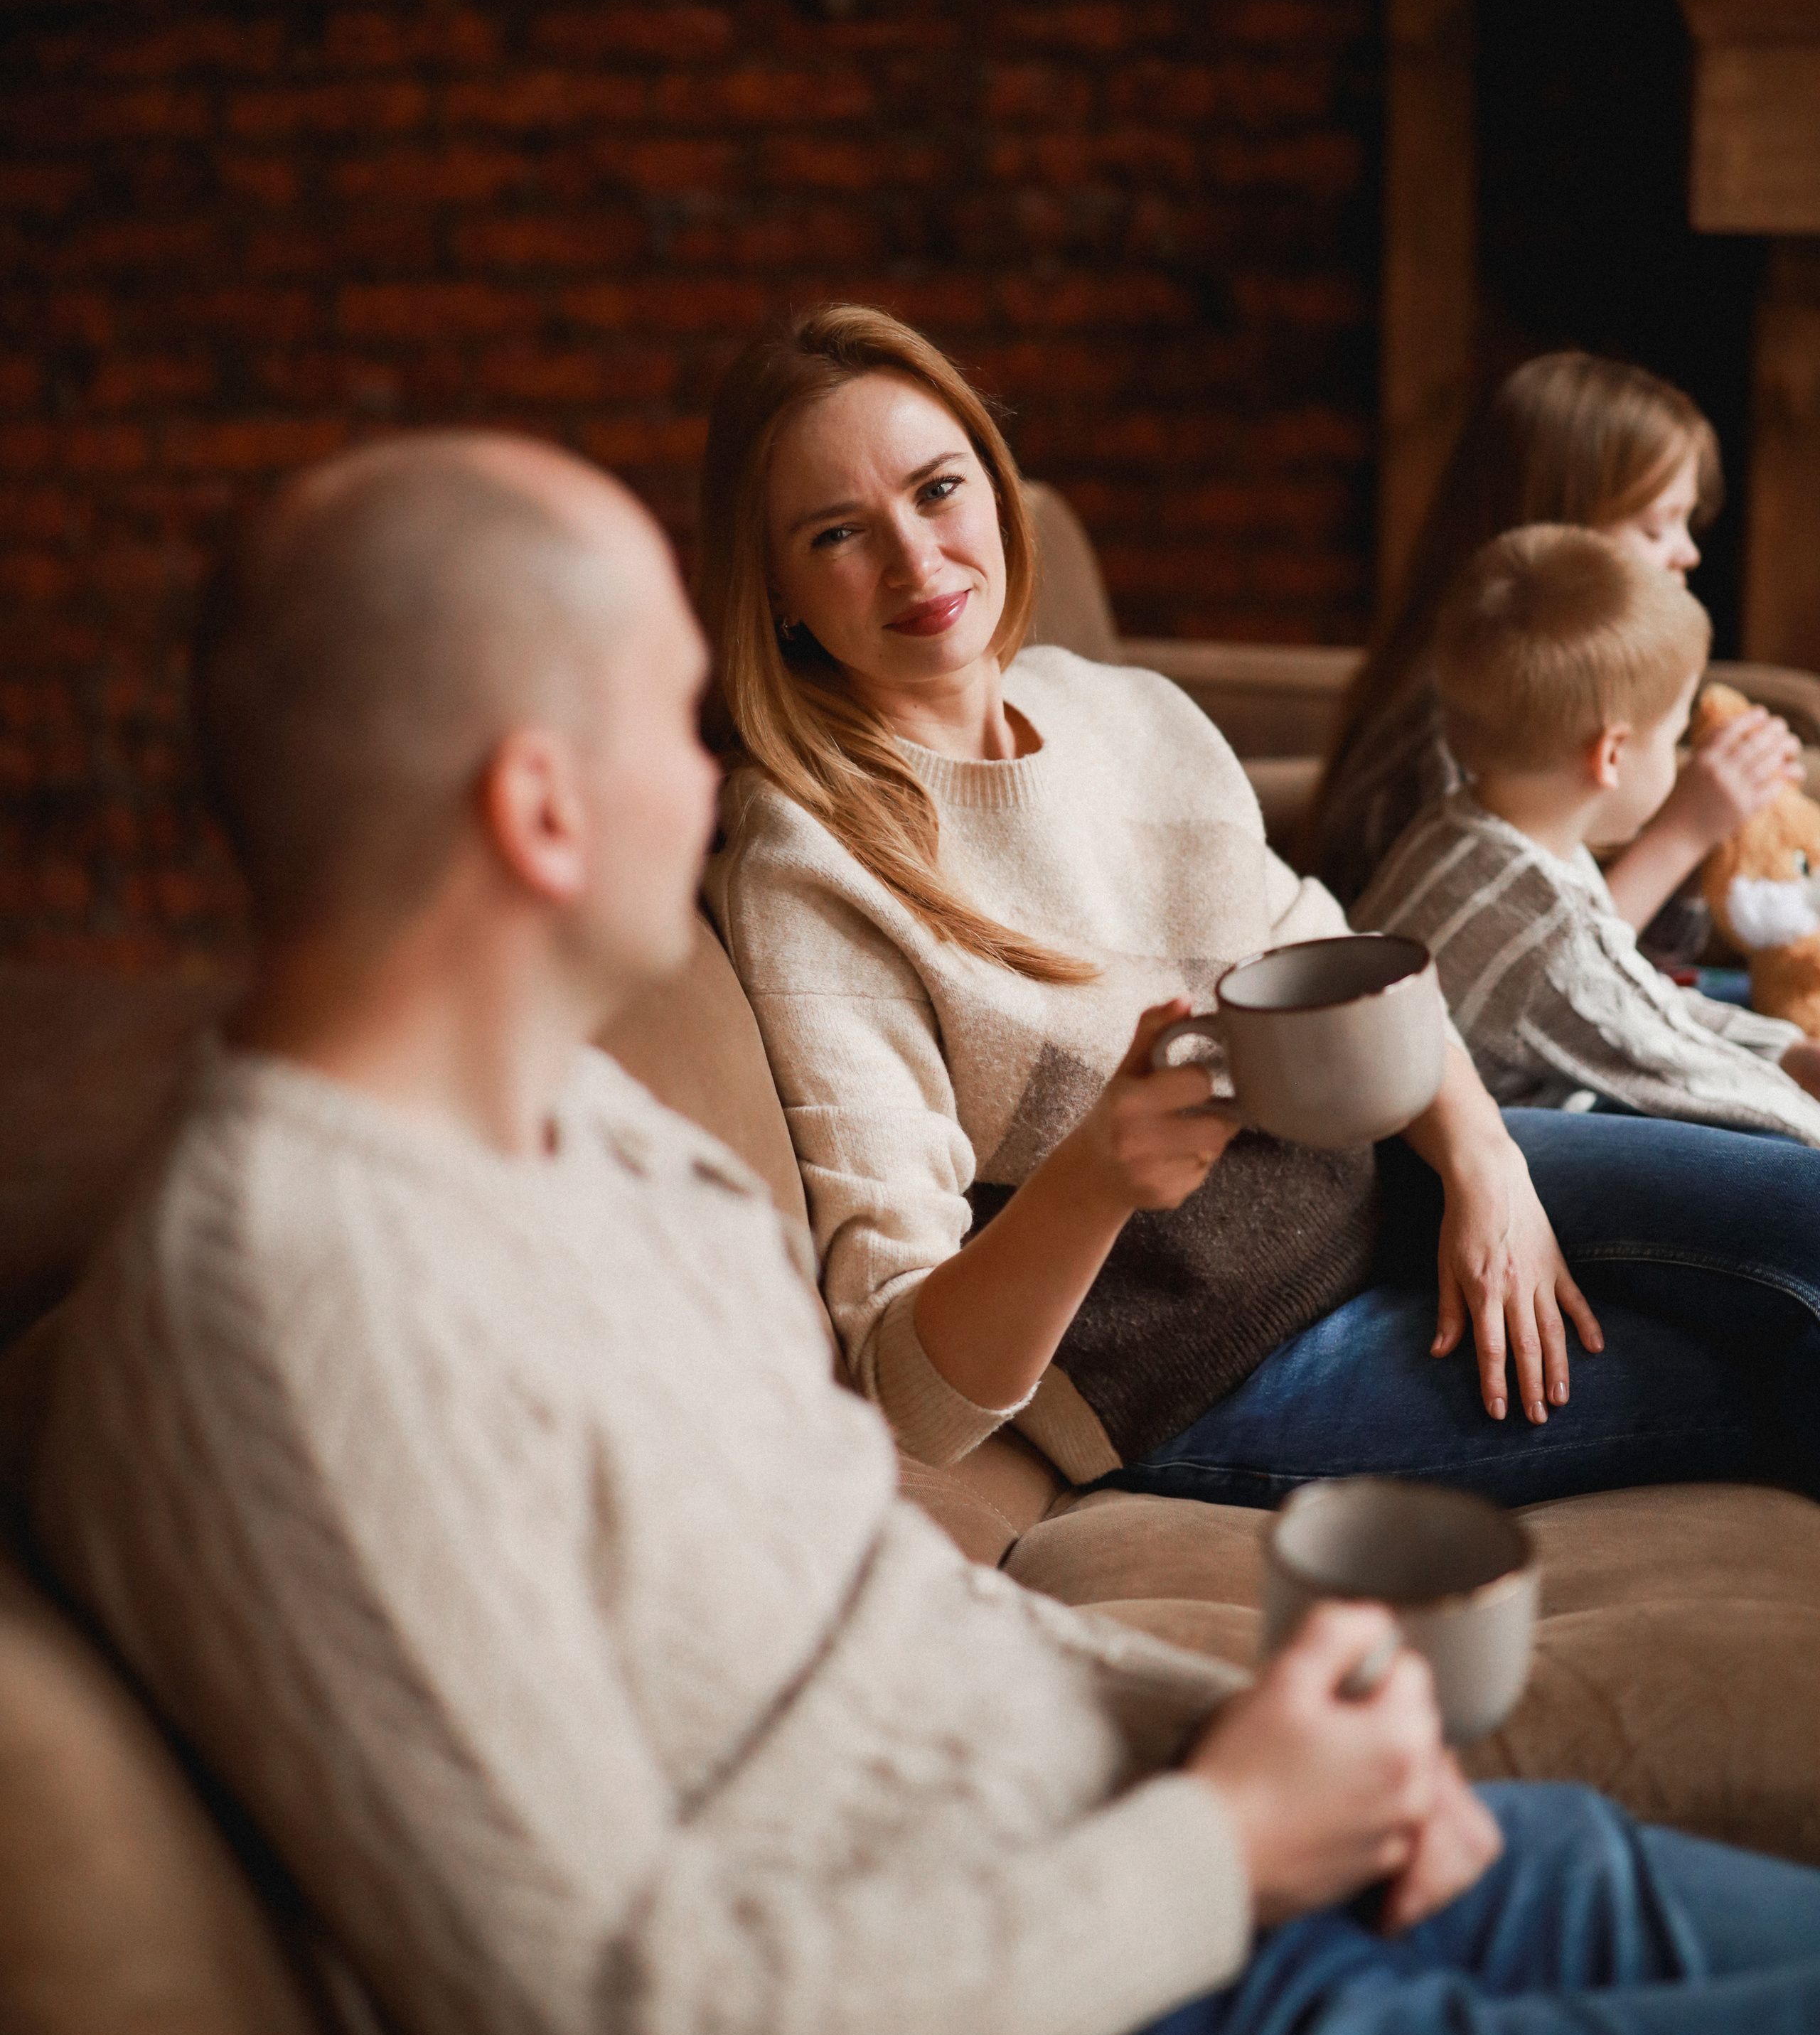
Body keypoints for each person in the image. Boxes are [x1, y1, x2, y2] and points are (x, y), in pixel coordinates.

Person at [32, 429, 1820, 2035]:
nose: (716, 769)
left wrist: (1290, 1760)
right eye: (674, 713)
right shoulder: (299, 1305)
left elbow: (898, 1610)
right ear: (542, 808)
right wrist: (1221, 1849)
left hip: (1209, 1871)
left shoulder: (584, 1130)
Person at [699, 306, 1820, 1512]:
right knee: (1760, 1377)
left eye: (937, 490)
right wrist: (1093, 1179)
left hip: (1388, 1183)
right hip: (1211, 1373)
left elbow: (1340, 954)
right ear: (777, 593)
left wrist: (1486, 1165)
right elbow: (907, 1394)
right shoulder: (805, 869)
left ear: (995, 483)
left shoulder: (1121, 710)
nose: (918, 563)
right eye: (837, 534)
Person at [1354, 526, 1820, 1147]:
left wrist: (1792, 1051)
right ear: (1613, 754)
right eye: (1675, 735)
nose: (1680, 755)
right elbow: (1691, 1074)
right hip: (1451, 1175)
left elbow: (1638, 994)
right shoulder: (1549, 929)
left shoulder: (1467, 823)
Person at [1307, 350, 1803, 930]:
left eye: (1688, 522)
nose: (1688, 553)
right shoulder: (1460, 728)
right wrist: (1683, 833)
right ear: (1554, 540)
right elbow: (1515, 966)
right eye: (1654, 526)